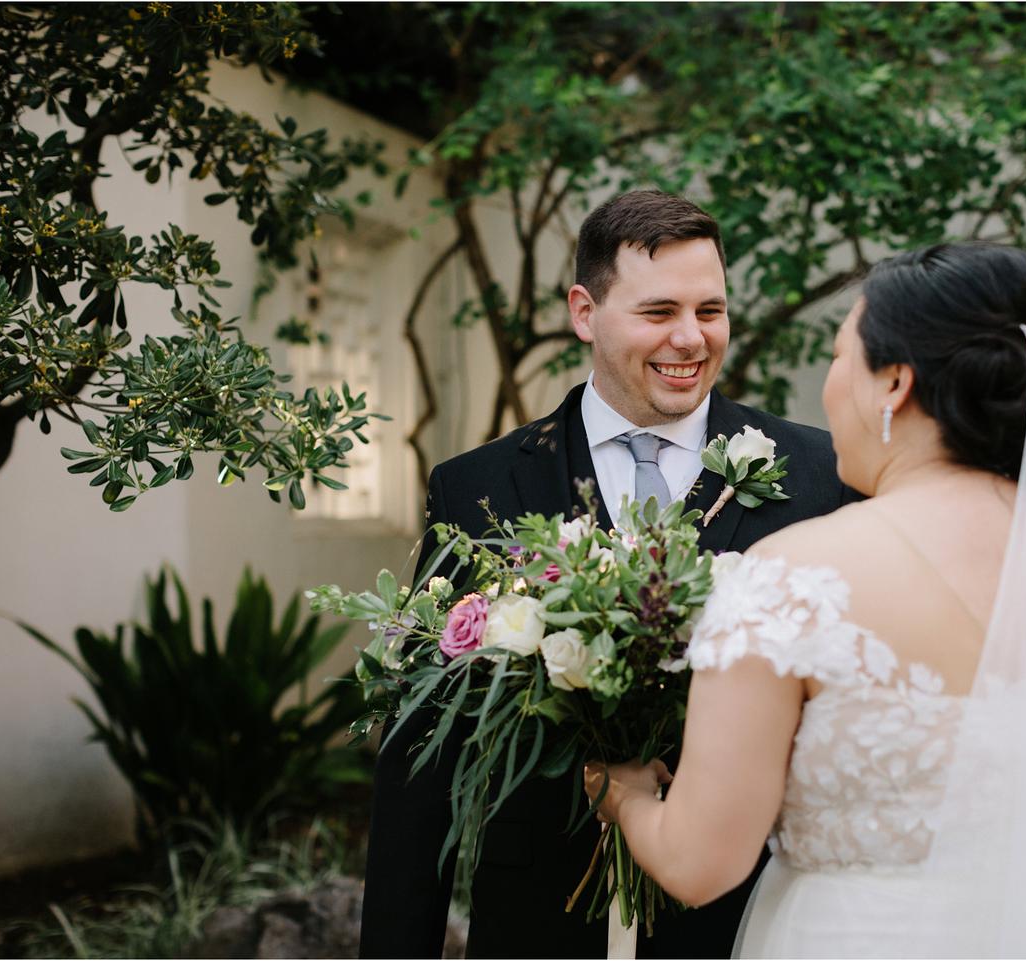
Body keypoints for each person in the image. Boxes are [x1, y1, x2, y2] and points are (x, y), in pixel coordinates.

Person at [586, 243, 1026, 958]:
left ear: (892, 384)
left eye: (836, 357)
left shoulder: (795, 574)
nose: (828, 387)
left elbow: (700, 863)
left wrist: (624, 796)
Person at [359, 190, 851, 959]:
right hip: (538, 919)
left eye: (711, 311)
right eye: (659, 313)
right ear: (585, 312)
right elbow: (423, 753)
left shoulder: (818, 475)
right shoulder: (478, 487)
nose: (691, 338)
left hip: (741, 919)